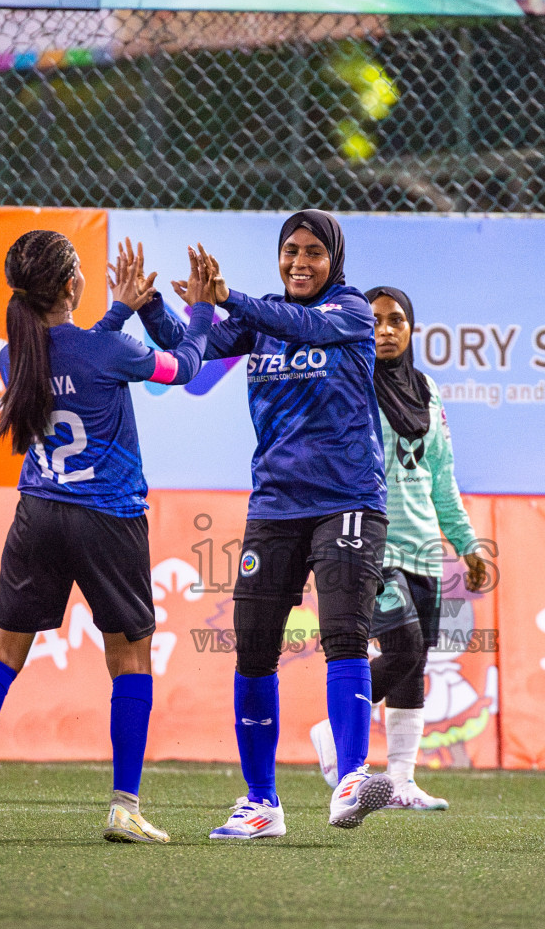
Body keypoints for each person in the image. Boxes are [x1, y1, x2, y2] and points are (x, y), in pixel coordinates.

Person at [0, 234, 210, 844]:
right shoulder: (111, 349)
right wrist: (199, 309)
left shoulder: (11, 357)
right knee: (130, 658)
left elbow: (73, 355)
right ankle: (124, 806)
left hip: (39, 516)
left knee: (1, 650)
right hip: (109, 520)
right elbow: (183, 366)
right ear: (73, 285)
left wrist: (121, 311)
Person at [146, 210, 394, 839]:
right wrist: (152, 306)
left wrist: (231, 297)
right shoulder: (257, 321)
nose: (300, 263)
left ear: (333, 259)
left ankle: (350, 778)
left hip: (347, 501)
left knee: (344, 635)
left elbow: (298, 323)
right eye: (291, 251)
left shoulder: (352, 313)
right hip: (275, 506)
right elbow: (191, 353)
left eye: (313, 252)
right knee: (253, 650)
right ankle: (261, 803)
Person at [307, 285, 488, 811]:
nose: (386, 330)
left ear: (412, 329)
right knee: (403, 648)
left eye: (397, 321)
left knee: (416, 661)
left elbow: (442, 477)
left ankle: (403, 783)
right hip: (369, 539)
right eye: (376, 321)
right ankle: (332, 732)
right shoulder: (349, 382)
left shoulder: (427, 391)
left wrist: (468, 545)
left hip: (423, 544)